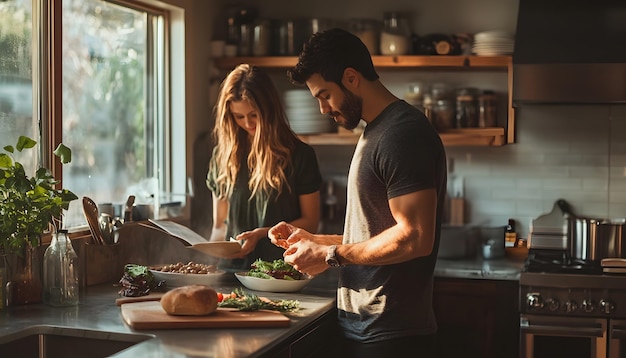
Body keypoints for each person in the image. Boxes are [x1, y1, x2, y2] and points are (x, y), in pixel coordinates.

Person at [268, 28, 447, 357]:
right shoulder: (377, 131)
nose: (323, 109)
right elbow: (374, 232)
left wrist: (329, 256)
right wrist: (316, 241)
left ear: (351, 78)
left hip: (392, 337)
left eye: (324, 95)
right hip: (369, 329)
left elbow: (415, 236)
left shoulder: (401, 134)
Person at [206, 64, 322, 271]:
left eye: (254, 114)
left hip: (280, 272)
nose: (247, 123)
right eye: (239, 116)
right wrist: (210, 258)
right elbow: (219, 226)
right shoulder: (221, 157)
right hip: (230, 272)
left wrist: (261, 234)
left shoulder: (300, 155)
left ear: (269, 109)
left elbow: (311, 222)